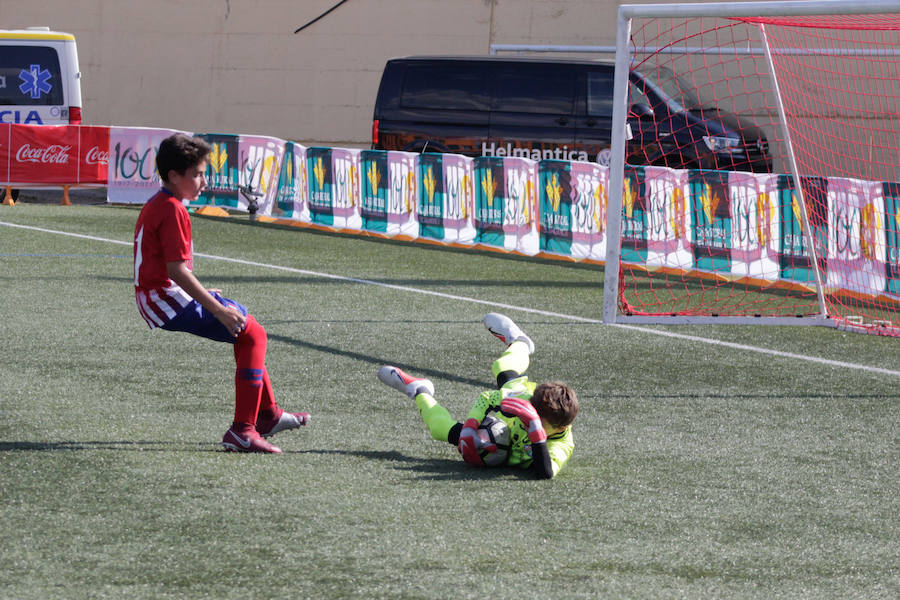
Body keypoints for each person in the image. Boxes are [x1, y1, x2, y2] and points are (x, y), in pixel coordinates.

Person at [133, 133, 309, 454]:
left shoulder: (162, 203)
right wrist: (216, 308)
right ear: (174, 176)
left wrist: (203, 297)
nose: (204, 180)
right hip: (163, 300)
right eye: (198, 174)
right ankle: (243, 430)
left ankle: (267, 415)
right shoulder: (173, 209)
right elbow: (176, 270)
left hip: (159, 296)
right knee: (252, 333)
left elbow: (167, 268)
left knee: (246, 326)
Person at [378, 313, 577, 478]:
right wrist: (470, 427)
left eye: (539, 422)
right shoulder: (524, 399)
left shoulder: (562, 445)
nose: (526, 422)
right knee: (502, 367)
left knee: (438, 429)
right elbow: (487, 398)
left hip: (503, 451)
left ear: (561, 427)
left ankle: (418, 389)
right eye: (530, 416)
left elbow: (545, 473)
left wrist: (535, 429)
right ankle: (520, 342)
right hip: (502, 431)